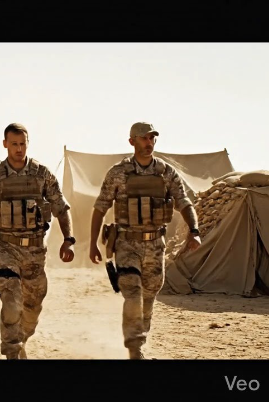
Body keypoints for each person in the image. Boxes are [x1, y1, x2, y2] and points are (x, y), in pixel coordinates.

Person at [89, 122, 201, 359]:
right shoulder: (118, 172)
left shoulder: (166, 172)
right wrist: (93, 244)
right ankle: (135, 349)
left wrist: (194, 230)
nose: (149, 143)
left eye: (152, 138)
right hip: (126, 243)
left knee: (149, 296)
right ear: (132, 142)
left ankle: (140, 341)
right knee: (132, 293)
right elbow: (100, 207)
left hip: (155, 245)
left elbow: (184, 202)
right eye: (143, 138)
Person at [0, 122, 76, 359]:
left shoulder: (41, 174)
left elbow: (61, 207)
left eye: (22, 144)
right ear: (5, 144)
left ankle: (21, 338)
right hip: (5, 248)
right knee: (11, 302)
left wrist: (69, 239)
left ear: (28, 144)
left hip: (35, 252)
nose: (18, 149)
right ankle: (12, 351)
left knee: (33, 307)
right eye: (14, 144)